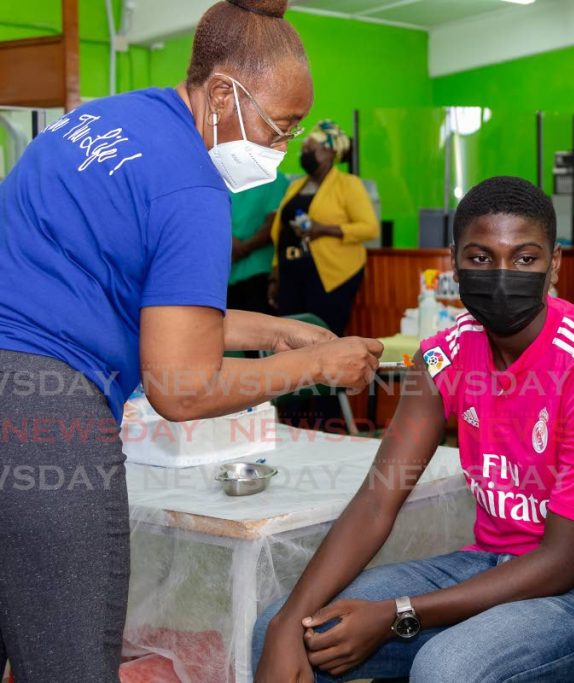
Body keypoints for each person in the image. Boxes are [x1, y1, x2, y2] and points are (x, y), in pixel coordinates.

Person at [0, 1, 383, 681]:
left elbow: (146, 303)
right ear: (220, 92)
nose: (281, 149)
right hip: (44, 411)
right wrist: (314, 363)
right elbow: (181, 386)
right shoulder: (192, 187)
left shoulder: (101, 121)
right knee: (69, 661)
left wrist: (272, 330)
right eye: (279, 126)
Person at [252, 176, 574, 683]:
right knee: (283, 626)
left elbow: (562, 561)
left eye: (525, 258)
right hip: (490, 563)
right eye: (482, 257)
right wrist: (290, 620)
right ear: (454, 260)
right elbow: (379, 501)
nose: (502, 274)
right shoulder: (444, 355)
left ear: (555, 263)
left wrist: (399, 612)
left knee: (448, 667)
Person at [268, 119, 379, 335]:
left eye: (310, 148)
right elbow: (280, 230)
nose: (304, 153)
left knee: (321, 336)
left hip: (330, 275)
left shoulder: (348, 185)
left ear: (329, 152)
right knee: (289, 339)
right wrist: (275, 273)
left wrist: (324, 229)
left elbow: (369, 228)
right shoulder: (296, 186)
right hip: (291, 272)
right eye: (303, 149)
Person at [229, 170, 290, 315]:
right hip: (226, 276)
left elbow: (274, 224)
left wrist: (241, 248)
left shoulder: (275, 178)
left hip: (260, 273)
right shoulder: (225, 178)